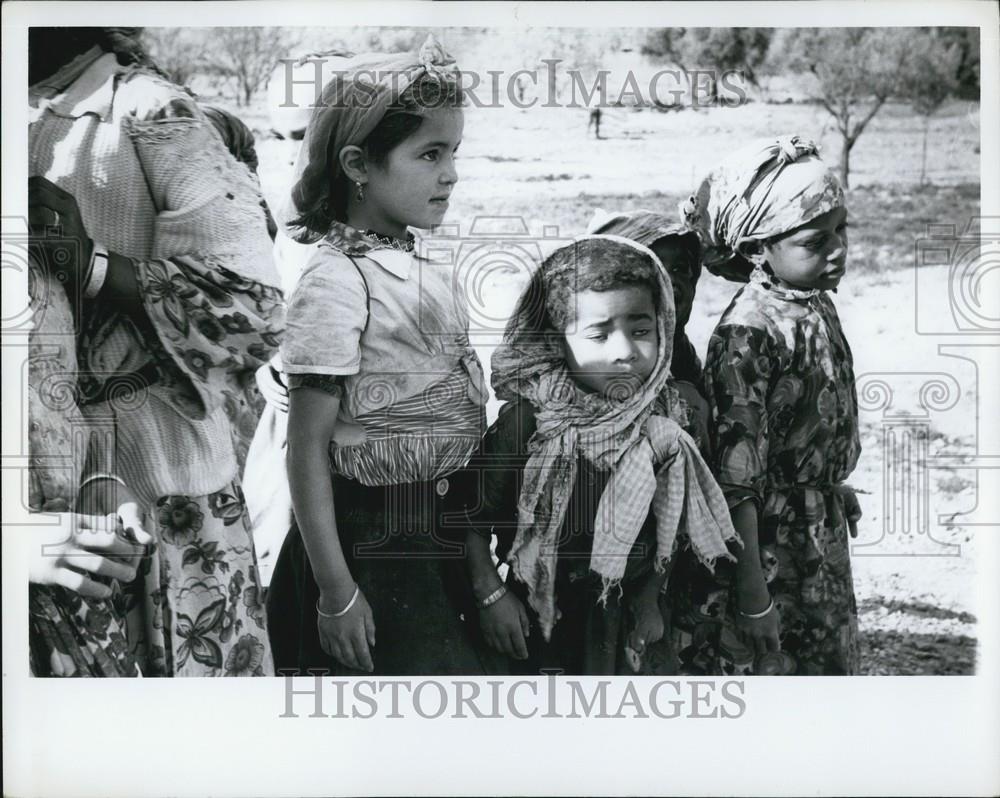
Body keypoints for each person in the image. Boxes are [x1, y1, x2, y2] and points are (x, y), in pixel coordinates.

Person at [29, 28, 284, 676]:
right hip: (37, 529)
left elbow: (255, 311)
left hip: (162, 516)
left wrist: (92, 268)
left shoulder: (148, 113)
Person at [265, 37, 492, 676]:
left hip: (432, 532)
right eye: (429, 154)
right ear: (359, 164)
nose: (450, 173)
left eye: (454, 153)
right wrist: (337, 595)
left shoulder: (414, 262)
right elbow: (306, 447)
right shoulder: (337, 280)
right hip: (367, 544)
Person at [463, 235, 740, 675]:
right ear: (557, 340)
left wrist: (651, 598)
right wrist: (490, 596)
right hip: (540, 619)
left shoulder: (670, 421)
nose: (625, 351)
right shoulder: (530, 424)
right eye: (598, 333)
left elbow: (673, 527)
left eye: (641, 330)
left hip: (628, 620)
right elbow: (469, 523)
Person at [674, 135, 863, 675]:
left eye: (841, 230)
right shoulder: (748, 333)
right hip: (767, 551)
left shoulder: (814, 304)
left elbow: (800, 419)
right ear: (759, 249)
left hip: (811, 530)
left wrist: (825, 480)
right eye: (815, 241)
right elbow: (738, 479)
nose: (838, 250)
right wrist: (754, 597)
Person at [586, 209, 708, 438]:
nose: (669, 281)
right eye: (652, 268)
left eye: (680, 269)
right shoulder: (590, 362)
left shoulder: (680, 353)